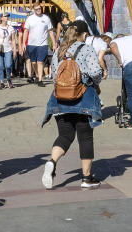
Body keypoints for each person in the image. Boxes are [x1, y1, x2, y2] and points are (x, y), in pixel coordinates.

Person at [40, 20, 105, 189]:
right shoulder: (86, 49)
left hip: (60, 98)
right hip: (82, 97)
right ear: (83, 35)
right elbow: (96, 72)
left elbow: (55, 76)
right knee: (85, 138)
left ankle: (52, 162)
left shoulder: (59, 51)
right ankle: (86, 178)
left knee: (65, 136)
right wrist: (96, 82)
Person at [23, 6, 54, 86]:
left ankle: (40, 80)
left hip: (43, 44)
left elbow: (50, 31)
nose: (38, 10)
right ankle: (37, 75)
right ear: (34, 10)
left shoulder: (46, 18)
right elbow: (26, 31)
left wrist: (54, 43)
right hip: (31, 44)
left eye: (39, 9)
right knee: (33, 62)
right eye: (36, 9)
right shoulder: (30, 18)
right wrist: (23, 43)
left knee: (40, 62)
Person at [0, 13, 15, 89]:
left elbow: (13, 40)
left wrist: (14, 50)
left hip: (8, 49)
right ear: (1, 18)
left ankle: (8, 78)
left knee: (8, 65)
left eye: (7, 16)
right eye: (5, 16)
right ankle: (1, 82)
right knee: (0, 66)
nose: (6, 17)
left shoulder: (11, 28)